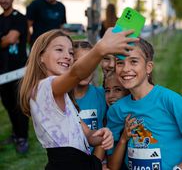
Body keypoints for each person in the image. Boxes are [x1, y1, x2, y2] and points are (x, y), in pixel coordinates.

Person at [19, 28, 138, 170]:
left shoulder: (63, 95)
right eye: (59, 50)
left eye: (70, 52)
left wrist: (101, 135)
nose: (67, 56)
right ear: (41, 57)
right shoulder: (43, 88)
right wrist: (101, 49)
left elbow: (87, 135)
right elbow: (76, 74)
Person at [107, 38, 182, 170]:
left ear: (148, 67)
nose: (126, 69)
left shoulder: (170, 101)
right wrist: (124, 139)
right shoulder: (116, 110)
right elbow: (112, 165)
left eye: (133, 62)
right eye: (120, 63)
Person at [0, 0, 29, 153]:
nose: (3, 0)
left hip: (17, 71)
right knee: (8, 104)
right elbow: (8, 40)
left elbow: (11, 39)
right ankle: (16, 133)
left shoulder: (19, 18)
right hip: (2, 72)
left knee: (19, 106)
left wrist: (5, 39)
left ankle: (23, 138)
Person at [73, 41, 107, 131]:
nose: (85, 69)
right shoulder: (61, 98)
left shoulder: (103, 95)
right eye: (78, 63)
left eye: (89, 63)